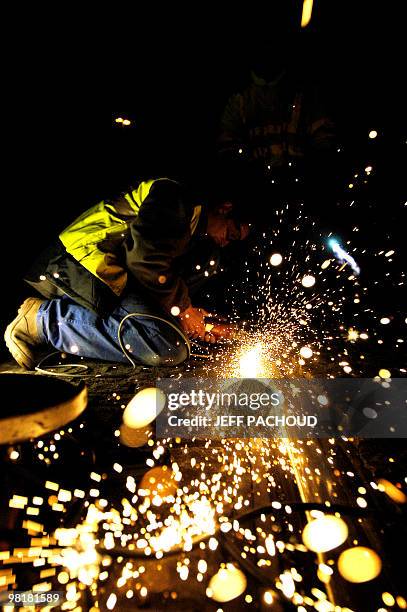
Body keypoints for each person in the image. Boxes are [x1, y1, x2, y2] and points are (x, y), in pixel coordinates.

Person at [4, 177, 251, 370]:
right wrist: (184, 310)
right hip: (75, 263)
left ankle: (66, 317)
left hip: (100, 270)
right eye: (232, 233)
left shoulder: (190, 221)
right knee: (168, 347)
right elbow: (144, 261)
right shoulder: (176, 197)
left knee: (174, 330)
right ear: (225, 208)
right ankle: (42, 321)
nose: (227, 242)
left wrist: (187, 317)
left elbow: (157, 273)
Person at [217, 44, 336, 195]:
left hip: (300, 188)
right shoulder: (239, 99)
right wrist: (248, 172)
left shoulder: (305, 93)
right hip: (257, 190)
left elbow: (324, 140)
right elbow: (228, 146)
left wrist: (310, 171)